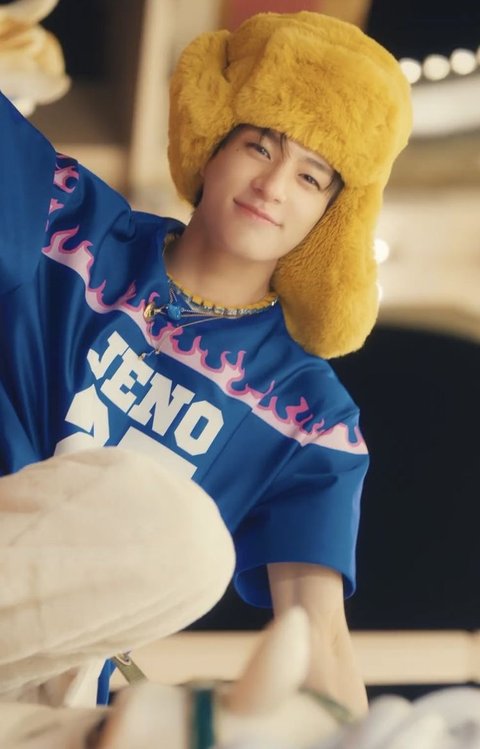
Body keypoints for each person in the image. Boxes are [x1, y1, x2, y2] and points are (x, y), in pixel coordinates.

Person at [0, 11, 412, 714]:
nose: (273, 185)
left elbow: (318, 632)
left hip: (45, 679)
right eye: (259, 146)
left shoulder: (308, 414)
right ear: (212, 144)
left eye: (311, 178)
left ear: (330, 218)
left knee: (193, 548)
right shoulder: (66, 217)